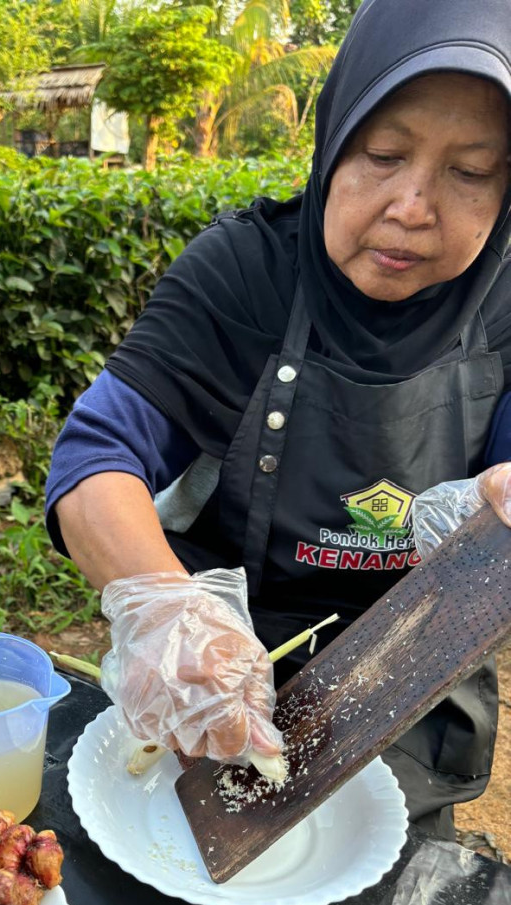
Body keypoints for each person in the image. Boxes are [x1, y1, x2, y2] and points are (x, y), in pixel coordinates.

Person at [45, 0, 511, 839]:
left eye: (470, 171)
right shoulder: (242, 272)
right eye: (384, 155)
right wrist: (166, 612)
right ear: (334, 141)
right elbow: (93, 458)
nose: (413, 206)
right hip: (220, 678)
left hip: (412, 688)